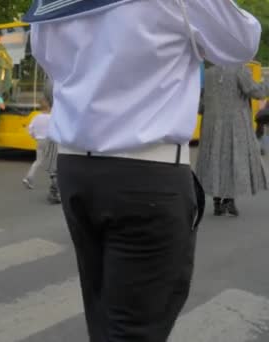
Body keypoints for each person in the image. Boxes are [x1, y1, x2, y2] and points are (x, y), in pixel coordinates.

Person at [24, 0, 261, 341]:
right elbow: (241, 41)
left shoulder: (49, 4)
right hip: (146, 175)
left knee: (104, 314)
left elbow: (48, 59)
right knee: (133, 329)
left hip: (76, 167)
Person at [196, 64, 269, 217]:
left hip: (212, 124)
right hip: (235, 125)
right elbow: (256, 92)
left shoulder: (208, 73)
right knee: (232, 158)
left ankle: (217, 201)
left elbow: (201, 105)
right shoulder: (239, 69)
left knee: (215, 160)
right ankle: (229, 200)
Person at [22, 98, 51, 189]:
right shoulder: (51, 117)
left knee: (38, 161)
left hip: (39, 140)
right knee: (53, 161)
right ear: (49, 107)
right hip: (50, 141)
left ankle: (28, 177)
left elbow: (30, 128)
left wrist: (34, 136)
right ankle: (55, 183)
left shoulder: (36, 117)